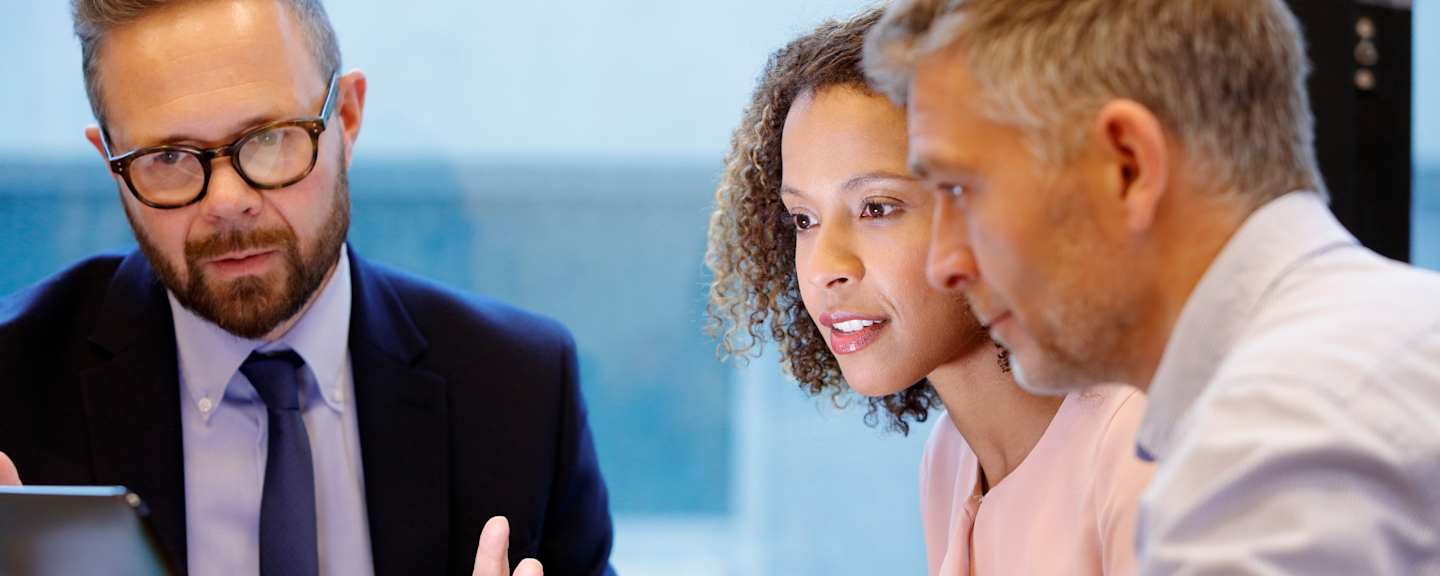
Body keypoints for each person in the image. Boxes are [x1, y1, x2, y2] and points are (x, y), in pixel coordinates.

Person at [0, 1, 612, 574]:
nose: (228, 202)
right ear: (108, 159)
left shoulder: (519, 388)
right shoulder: (12, 387)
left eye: (269, 138)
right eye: (167, 157)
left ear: (346, 117)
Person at [864, 0, 1440, 573]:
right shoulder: (1395, 334)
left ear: (1128, 165)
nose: (945, 264)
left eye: (963, 191)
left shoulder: (1270, 441)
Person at [705, 9, 1153, 575]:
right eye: (803, 219)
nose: (823, 268)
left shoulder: (1139, 440)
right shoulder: (951, 459)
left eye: (877, 208)